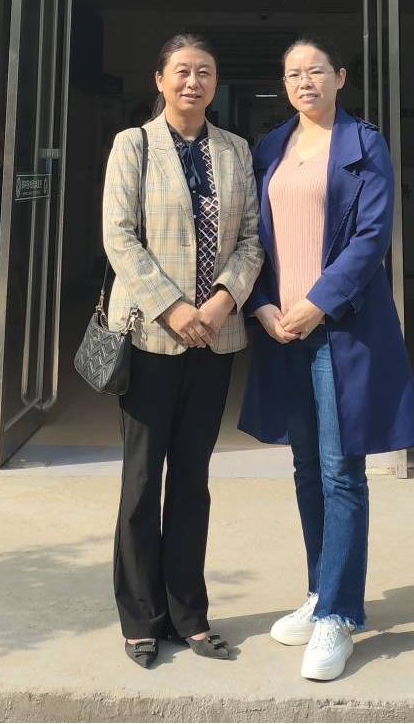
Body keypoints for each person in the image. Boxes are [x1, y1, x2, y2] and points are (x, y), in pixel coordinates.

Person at [240, 34, 414, 681]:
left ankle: (340, 614)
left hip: (339, 328)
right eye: (293, 72)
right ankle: (320, 590)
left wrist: (316, 303)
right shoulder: (271, 147)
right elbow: (253, 236)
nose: (305, 81)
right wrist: (263, 305)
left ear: (340, 77)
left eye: (316, 70)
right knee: (304, 468)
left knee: (341, 469)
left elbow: (371, 237)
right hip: (282, 330)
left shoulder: (363, 145)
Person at [102, 33, 264, 668]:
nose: (193, 82)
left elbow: (252, 239)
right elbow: (119, 236)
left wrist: (223, 301)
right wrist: (171, 306)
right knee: (143, 480)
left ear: (215, 84)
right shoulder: (134, 145)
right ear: (159, 80)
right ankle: (141, 618)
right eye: (182, 72)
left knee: (193, 479)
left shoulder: (236, 150)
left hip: (215, 336)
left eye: (204, 73)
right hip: (150, 333)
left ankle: (189, 614)